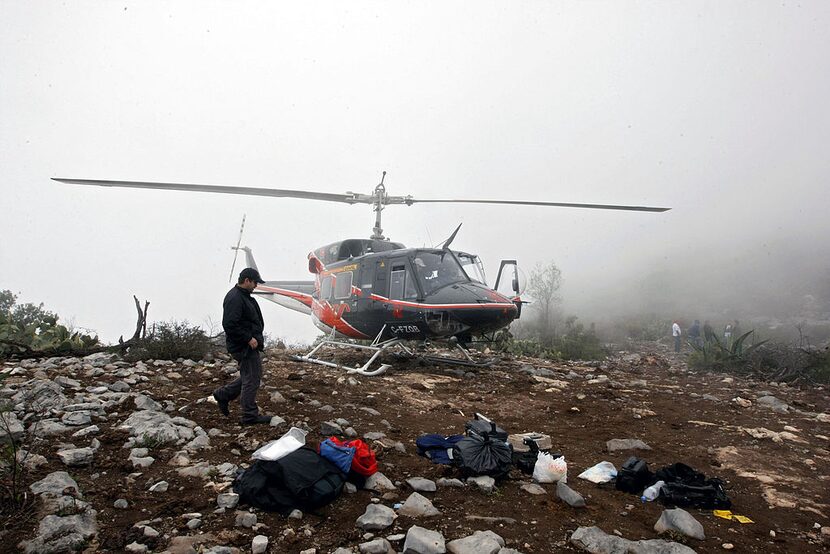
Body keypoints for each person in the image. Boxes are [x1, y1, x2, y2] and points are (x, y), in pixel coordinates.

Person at [213, 267, 273, 425]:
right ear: (247, 280)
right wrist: (248, 338)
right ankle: (249, 415)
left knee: (251, 375)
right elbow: (229, 324)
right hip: (243, 346)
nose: (256, 286)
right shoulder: (235, 298)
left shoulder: (243, 296)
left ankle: (223, 395)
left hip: (248, 345)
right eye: (255, 283)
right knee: (252, 379)